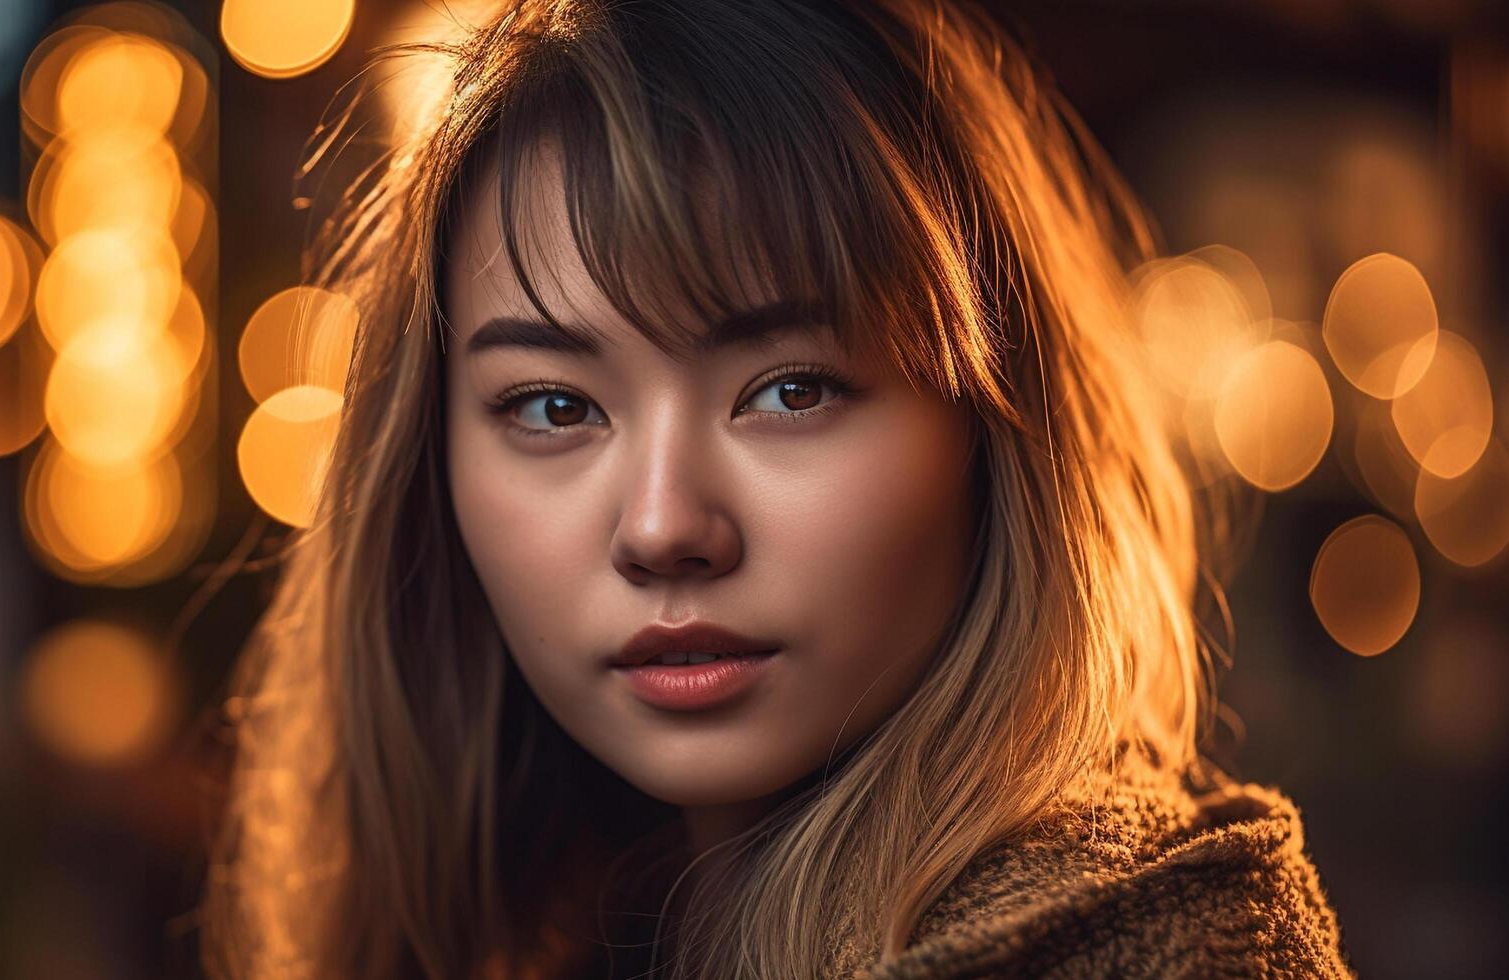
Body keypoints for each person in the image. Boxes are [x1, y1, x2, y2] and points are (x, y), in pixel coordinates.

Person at [200, 1, 1355, 976]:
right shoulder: (553, 927)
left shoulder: (1163, 946)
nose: (662, 527)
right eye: (555, 406)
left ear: (993, 423)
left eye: (789, 390)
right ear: (425, 471)